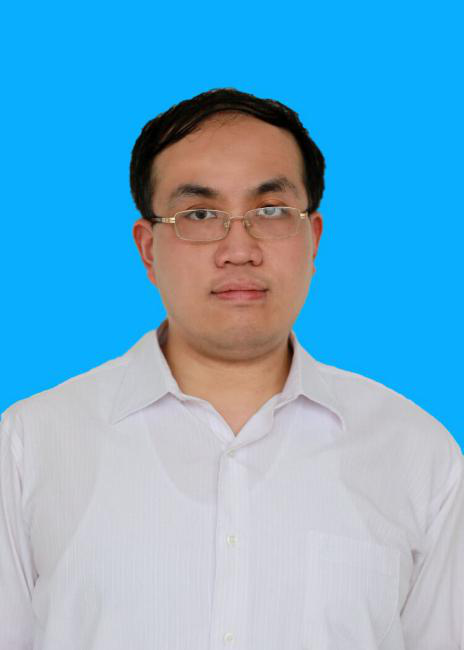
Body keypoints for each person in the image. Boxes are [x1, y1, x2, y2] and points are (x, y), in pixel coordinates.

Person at [0, 88, 462, 650]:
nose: (238, 250)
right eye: (200, 215)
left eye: (270, 212)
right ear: (148, 248)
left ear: (313, 238)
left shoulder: (416, 454)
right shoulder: (31, 445)